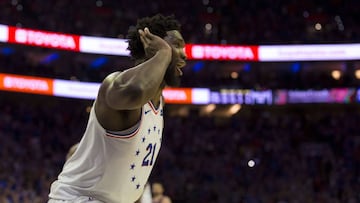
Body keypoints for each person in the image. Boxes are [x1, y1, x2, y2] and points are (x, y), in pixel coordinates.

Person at [48, 13, 187, 203]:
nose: (185, 54)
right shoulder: (116, 85)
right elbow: (136, 91)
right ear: (151, 43)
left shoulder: (159, 103)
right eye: (177, 45)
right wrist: (163, 54)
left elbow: (130, 180)